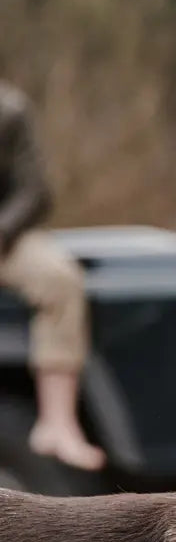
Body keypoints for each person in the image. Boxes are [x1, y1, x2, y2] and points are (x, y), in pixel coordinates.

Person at [0, 80, 105, 471]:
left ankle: (57, 422)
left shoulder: (9, 109)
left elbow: (35, 191)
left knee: (59, 279)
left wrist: (4, 230)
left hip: (5, 239)